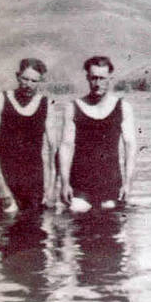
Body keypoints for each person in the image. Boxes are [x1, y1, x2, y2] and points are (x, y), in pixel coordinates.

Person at [59, 56, 137, 212]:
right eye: (94, 78)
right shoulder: (73, 107)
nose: (98, 83)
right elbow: (66, 146)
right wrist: (64, 183)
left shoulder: (122, 107)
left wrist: (128, 183)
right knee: (77, 216)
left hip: (111, 181)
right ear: (88, 78)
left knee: (111, 222)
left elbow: (130, 146)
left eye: (102, 78)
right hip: (80, 182)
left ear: (110, 79)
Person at [0, 58, 57, 214]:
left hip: (34, 182)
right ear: (17, 76)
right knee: (4, 231)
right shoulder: (0, 99)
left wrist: (51, 187)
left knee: (35, 231)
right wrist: (0, 186)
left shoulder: (47, 103)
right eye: (25, 78)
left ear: (40, 82)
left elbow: (53, 147)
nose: (28, 84)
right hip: (6, 179)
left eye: (34, 81)